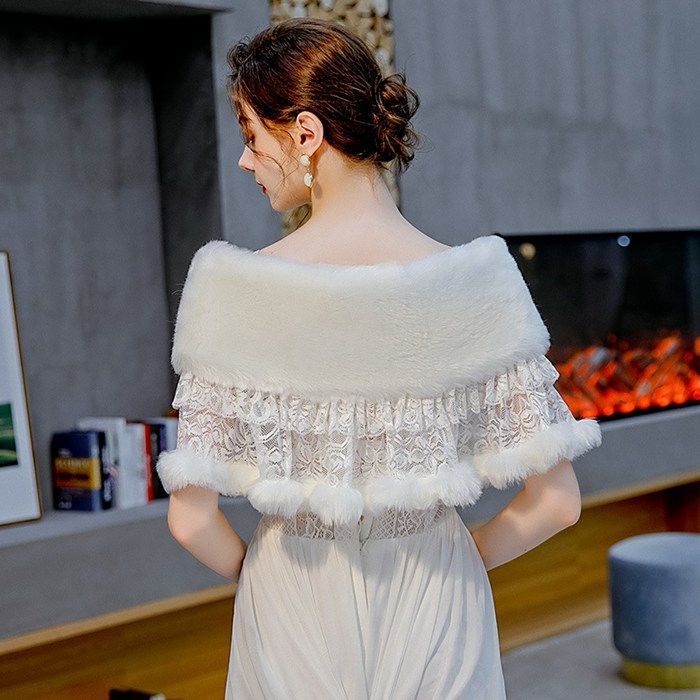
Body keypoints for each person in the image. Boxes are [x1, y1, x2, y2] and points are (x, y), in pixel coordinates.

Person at [156, 17, 603, 699]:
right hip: (438, 599)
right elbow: (557, 503)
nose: (245, 161)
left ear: (306, 134)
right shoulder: (480, 281)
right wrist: (458, 566)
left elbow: (191, 521)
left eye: (251, 137)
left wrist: (265, 580)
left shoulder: (229, 289)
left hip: (293, 601)